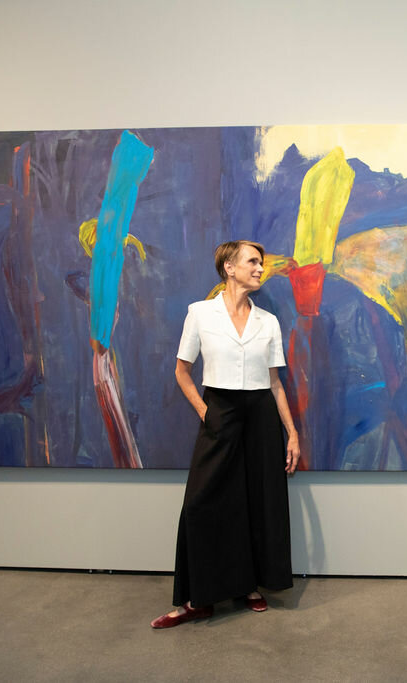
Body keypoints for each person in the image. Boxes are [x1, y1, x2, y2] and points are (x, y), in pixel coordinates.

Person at [151, 240, 300, 629]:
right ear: (229, 268)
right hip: (219, 411)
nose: (260, 268)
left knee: (255, 502)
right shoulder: (200, 314)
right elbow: (182, 371)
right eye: (253, 262)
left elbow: (275, 383)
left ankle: (248, 585)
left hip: (261, 418)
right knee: (201, 503)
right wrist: (205, 412)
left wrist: (292, 434)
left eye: (261, 263)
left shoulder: (268, 321)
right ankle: (194, 600)